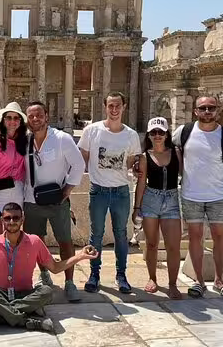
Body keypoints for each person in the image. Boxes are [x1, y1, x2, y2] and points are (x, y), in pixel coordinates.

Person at [0, 202, 98, 332]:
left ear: (22, 219)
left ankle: (0, 314)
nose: (12, 222)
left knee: (47, 292)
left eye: (15, 218)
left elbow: (55, 268)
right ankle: (28, 321)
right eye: (7, 218)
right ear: (2, 220)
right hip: (0, 292)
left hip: (25, 294)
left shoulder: (34, 241)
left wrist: (80, 256)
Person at [173, 95, 223, 300]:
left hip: (217, 195)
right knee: (195, 237)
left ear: (217, 111)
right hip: (191, 194)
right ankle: (199, 281)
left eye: (211, 108)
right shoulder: (184, 132)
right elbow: (170, 149)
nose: (207, 111)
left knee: (220, 237)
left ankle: (220, 280)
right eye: (203, 108)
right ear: (196, 111)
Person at [77, 92, 142, 294]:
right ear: (105, 107)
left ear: (124, 107)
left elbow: (131, 163)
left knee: (121, 235)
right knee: (95, 235)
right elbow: (84, 158)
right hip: (98, 190)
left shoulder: (131, 135)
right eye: (111, 106)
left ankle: (121, 275)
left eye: (118, 106)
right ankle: (94, 274)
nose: (114, 110)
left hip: (121, 191)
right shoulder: (91, 131)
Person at [24, 101, 85, 303]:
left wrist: (68, 189)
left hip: (57, 200)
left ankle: (69, 282)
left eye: (38, 115)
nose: (35, 119)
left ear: (47, 116)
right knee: (36, 242)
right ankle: (44, 274)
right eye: (31, 116)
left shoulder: (61, 139)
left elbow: (78, 164)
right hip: (32, 200)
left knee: (65, 241)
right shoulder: (24, 141)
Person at [132, 117, 183, 299]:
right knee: (152, 244)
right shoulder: (145, 157)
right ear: (149, 135)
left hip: (171, 200)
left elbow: (186, 175)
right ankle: (152, 278)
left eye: (161, 132)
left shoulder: (176, 153)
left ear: (167, 134)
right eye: (153, 132)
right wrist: (136, 208)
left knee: (173, 246)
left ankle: (172, 284)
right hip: (151, 200)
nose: (157, 136)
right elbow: (141, 184)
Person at [0, 102, 29, 236]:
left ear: (20, 121)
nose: (12, 121)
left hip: (18, 191)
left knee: (14, 233)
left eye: (16, 118)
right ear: (3, 120)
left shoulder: (23, 141)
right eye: (9, 117)